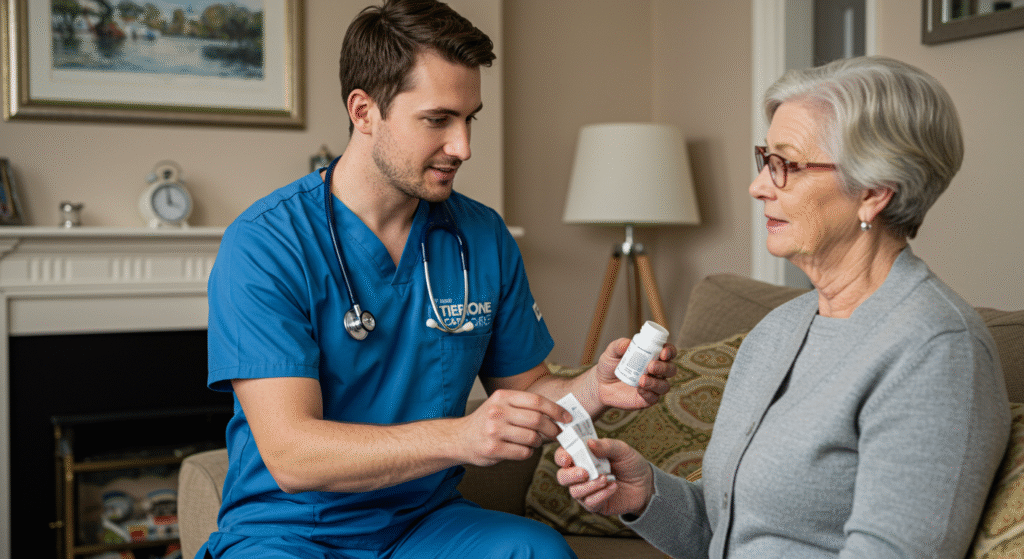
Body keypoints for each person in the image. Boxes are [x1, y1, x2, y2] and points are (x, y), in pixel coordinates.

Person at [200, 1, 677, 558]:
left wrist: (594, 387)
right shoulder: (266, 244)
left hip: (422, 524)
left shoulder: (481, 235)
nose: (463, 147)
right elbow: (291, 454)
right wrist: (461, 436)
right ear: (363, 111)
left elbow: (525, 393)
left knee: (534, 550)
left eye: (469, 118)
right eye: (437, 120)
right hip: (291, 529)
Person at [555, 56, 1011, 559]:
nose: (758, 186)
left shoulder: (936, 351)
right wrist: (646, 496)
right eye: (764, 160)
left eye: (786, 165)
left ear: (874, 193)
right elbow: (731, 535)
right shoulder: (779, 330)